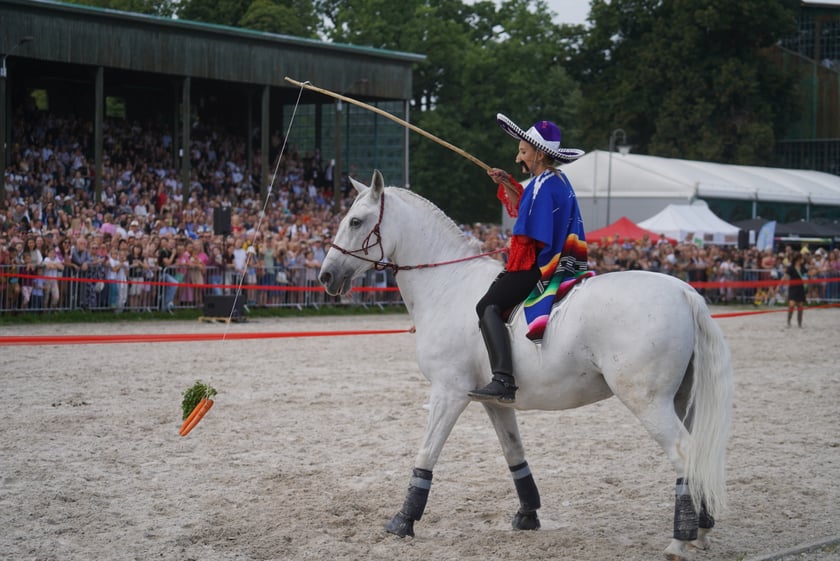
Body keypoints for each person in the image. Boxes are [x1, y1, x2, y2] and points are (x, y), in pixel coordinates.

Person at [468, 114, 590, 404]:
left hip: (541, 265)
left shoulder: (542, 185)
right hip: (561, 259)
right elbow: (525, 204)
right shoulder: (555, 180)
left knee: (487, 305)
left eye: (523, 152)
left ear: (539, 153)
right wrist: (507, 182)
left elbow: (528, 229)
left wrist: (512, 256)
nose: (518, 157)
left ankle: (503, 380)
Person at [780, 252, 807, 328]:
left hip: (801, 288)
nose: (802, 260)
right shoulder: (791, 268)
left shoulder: (803, 268)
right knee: (791, 305)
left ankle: (799, 323)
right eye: (801, 258)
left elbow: (808, 274)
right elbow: (785, 277)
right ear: (798, 259)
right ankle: (789, 321)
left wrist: (818, 270)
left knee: (800, 306)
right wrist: (779, 285)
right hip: (793, 288)